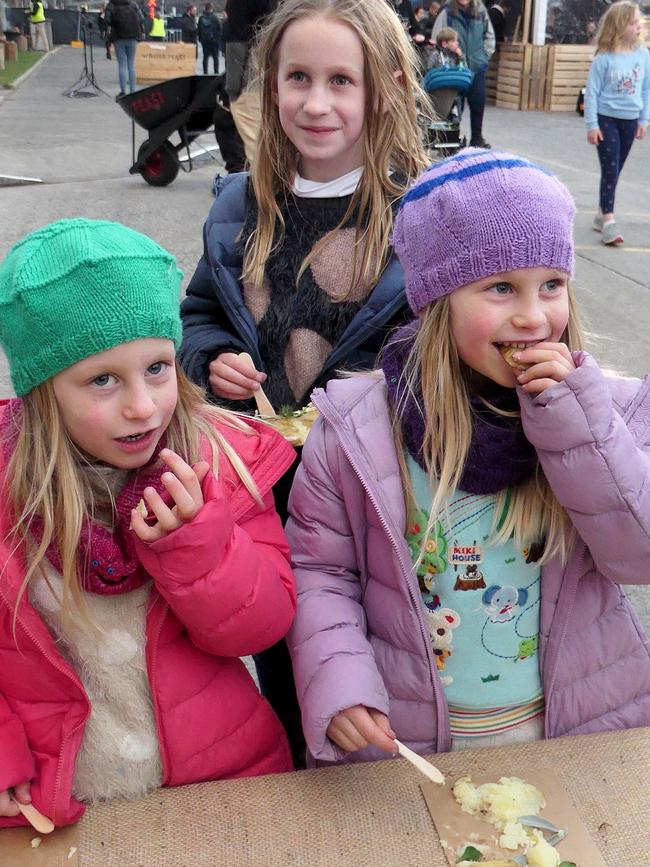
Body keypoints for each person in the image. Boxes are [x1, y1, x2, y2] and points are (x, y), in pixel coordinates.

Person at [285, 148, 650, 766]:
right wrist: (340, 684)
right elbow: (320, 572)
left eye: (552, 285)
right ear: (436, 301)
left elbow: (636, 554)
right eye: (501, 287)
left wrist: (574, 422)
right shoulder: (357, 430)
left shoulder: (613, 412)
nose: (534, 317)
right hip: (414, 744)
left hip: (580, 731)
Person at [180, 0, 430, 764]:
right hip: (267, 488)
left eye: (340, 81)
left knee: (384, 658)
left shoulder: (417, 213)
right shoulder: (235, 205)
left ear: (381, 89)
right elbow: (199, 312)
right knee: (288, 656)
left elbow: (444, 342)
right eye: (298, 78)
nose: (316, 103)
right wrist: (211, 357)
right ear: (271, 86)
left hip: (379, 495)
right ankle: (304, 781)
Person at [0, 219, 296, 828]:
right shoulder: (12, 498)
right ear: (42, 390)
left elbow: (262, 627)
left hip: (221, 788)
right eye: (102, 380)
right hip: (61, 804)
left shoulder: (221, 462)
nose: (142, 405)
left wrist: (201, 546)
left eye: (158, 368)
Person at [584, 1, 649, 247]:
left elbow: (646, 89)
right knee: (611, 170)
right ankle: (609, 221)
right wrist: (592, 124)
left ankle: (601, 213)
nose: (638, 27)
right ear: (619, 26)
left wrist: (644, 119)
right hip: (606, 119)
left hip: (630, 120)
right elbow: (592, 92)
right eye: (633, 23)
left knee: (616, 169)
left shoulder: (643, 55)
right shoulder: (604, 57)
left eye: (638, 23)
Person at [432, 0, 495, 147]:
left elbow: (489, 36)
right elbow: (437, 37)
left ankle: (477, 139)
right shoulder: (447, 12)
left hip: (476, 67)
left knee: (478, 103)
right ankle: (452, 139)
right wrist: (447, 56)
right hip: (455, 69)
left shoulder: (480, 11)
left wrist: (484, 56)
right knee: (454, 106)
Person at [224, 0, 277, 164]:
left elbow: (237, 42)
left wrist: (232, 88)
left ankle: (264, 185)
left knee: (254, 137)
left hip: (253, 69)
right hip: (279, 63)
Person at [105, 0, 145, 97]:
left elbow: (107, 21)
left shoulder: (111, 5)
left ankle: (123, 91)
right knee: (131, 64)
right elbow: (141, 18)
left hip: (118, 38)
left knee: (122, 65)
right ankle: (133, 91)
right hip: (133, 37)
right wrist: (142, 32)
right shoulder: (132, 4)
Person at [198, 2, 221, 73]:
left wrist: (201, 40)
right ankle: (216, 72)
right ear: (211, 8)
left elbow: (198, 30)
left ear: (205, 8)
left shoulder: (201, 18)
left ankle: (205, 72)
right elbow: (220, 28)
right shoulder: (215, 17)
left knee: (205, 57)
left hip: (205, 41)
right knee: (215, 58)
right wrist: (217, 38)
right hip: (214, 41)